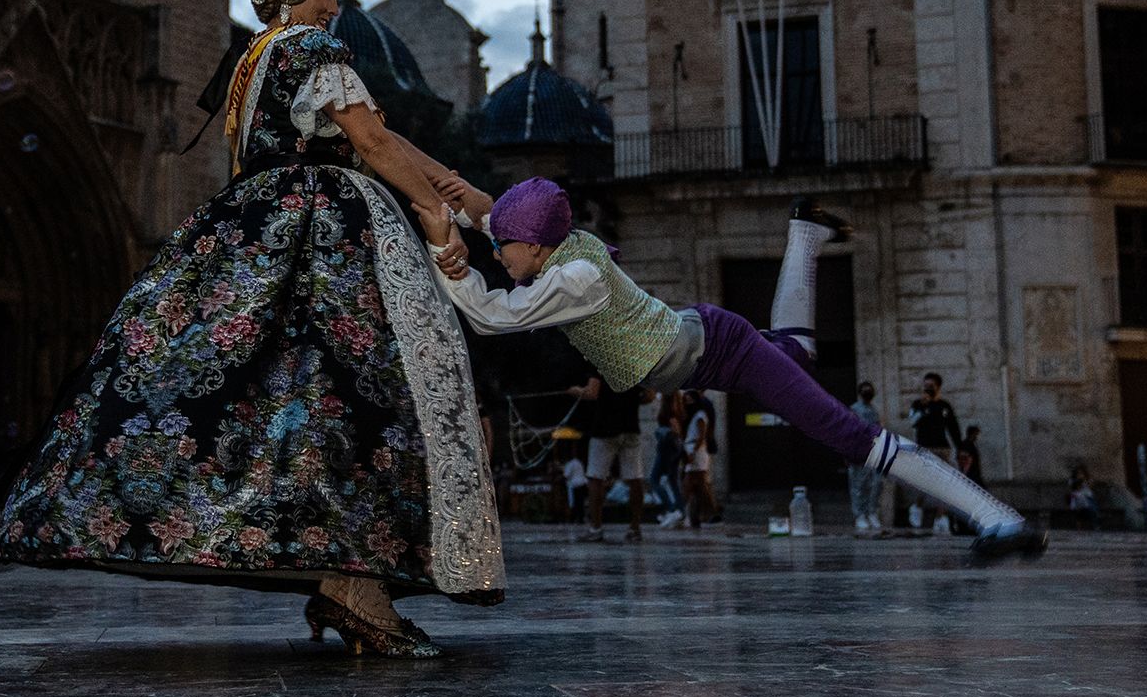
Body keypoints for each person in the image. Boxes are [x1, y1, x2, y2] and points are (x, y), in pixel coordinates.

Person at [0, 0, 500, 658]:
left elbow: (378, 139)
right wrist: (436, 216)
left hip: (253, 227)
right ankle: (353, 582)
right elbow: (375, 146)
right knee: (372, 397)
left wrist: (473, 199)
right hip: (326, 235)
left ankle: (350, 583)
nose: (336, 4)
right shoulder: (317, 54)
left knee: (296, 403)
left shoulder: (254, 62)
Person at [421, 175, 1047, 562]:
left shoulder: (575, 277)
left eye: (503, 248)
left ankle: (999, 518)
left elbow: (492, 317)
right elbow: (491, 213)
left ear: (536, 245)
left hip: (719, 345)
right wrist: (447, 193)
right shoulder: (558, 242)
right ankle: (804, 233)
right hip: (702, 343)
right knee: (799, 351)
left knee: (851, 437)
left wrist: (444, 254)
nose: (497, 254)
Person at [575, 371, 648, 543]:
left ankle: (596, 528)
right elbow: (649, 396)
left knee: (596, 477)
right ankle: (635, 528)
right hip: (630, 426)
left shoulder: (601, 362)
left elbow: (592, 392)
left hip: (604, 428)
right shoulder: (635, 366)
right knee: (635, 478)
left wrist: (577, 391)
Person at [906, 372, 964, 531]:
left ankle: (941, 517)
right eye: (925, 386)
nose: (927, 389)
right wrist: (924, 407)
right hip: (924, 448)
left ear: (938, 387)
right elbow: (912, 422)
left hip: (942, 449)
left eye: (930, 386)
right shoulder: (917, 404)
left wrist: (960, 448)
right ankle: (916, 506)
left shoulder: (945, 406)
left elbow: (953, 428)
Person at [845, 381, 883, 535]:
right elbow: (848, 431)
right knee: (858, 486)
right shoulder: (854, 409)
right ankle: (860, 515)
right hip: (858, 452)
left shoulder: (874, 410)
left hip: (873, 452)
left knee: (875, 483)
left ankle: (872, 512)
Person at [648, 391, 685, 527]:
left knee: (654, 479)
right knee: (673, 480)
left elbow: (673, 427)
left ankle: (671, 509)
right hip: (676, 446)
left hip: (666, 445)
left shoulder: (667, 410)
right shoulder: (678, 408)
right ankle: (680, 511)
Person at [680, 395, 717, 528]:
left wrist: (693, 452)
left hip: (697, 452)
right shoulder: (693, 416)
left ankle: (683, 512)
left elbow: (701, 436)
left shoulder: (700, 415)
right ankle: (700, 514)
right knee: (697, 484)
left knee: (693, 483)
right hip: (693, 450)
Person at [1067, 463, 1100, 529]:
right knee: (1080, 509)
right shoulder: (1072, 480)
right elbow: (1071, 489)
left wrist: (1085, 480)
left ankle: (1095, 525)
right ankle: (1081, 526)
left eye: (1081, 472)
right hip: (1077, 498)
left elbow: (1091, 486)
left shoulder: (1087, 479)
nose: (1080, 474)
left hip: (1088, 497)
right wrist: (1078, 482)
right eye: (1078, 472)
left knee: (1093, 508)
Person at [561, 448, 589, 524]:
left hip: (575, 485)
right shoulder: (578, 462)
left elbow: (566, 475)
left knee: (575, 503)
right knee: (581, 502)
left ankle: (574, 518)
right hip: (582, 483)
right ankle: (581, 518)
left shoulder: (570, 464)